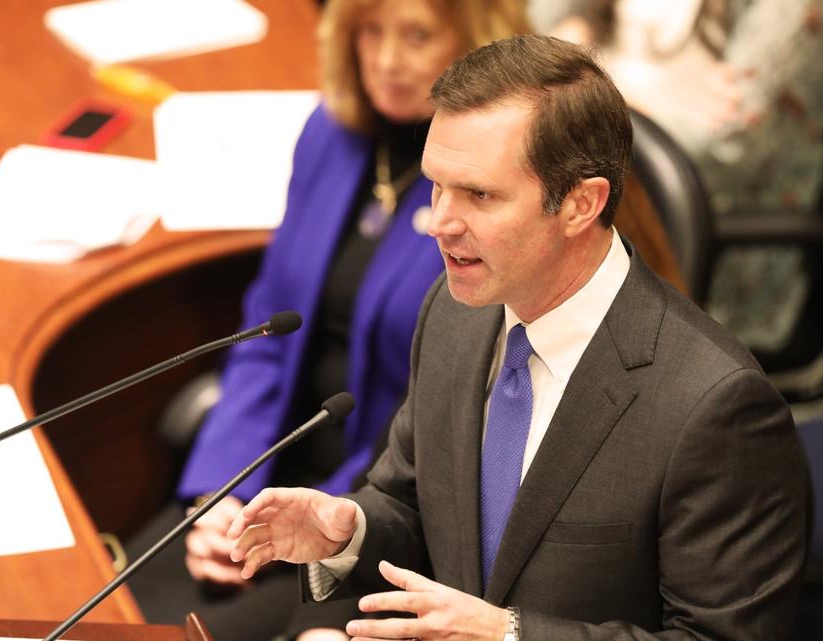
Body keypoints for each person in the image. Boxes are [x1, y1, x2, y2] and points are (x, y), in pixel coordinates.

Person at [226, 34, 812, 641]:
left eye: (478, 194)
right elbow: (409, 500)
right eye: (436, 186)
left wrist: (509, 635)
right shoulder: (453, 314)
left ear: (581, 204)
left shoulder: (715, 407)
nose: (438, 223)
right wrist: (348, 533)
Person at [126, 2, 528, 640]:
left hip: (378, 517)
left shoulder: (491, 188)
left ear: (478, 40)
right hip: (270, 474)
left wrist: (310, 522)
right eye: (370, 31)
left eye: (417, 35)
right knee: (100, 606)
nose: (387, 60)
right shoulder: (329, 133)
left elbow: (446, 416)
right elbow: (266, 333)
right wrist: (223, 492)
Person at [529, 0, 823, 357]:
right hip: (601, 203)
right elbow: (538, 32)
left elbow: (727, 143)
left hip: (696, 245)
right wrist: (633, 86)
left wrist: (585, 79)